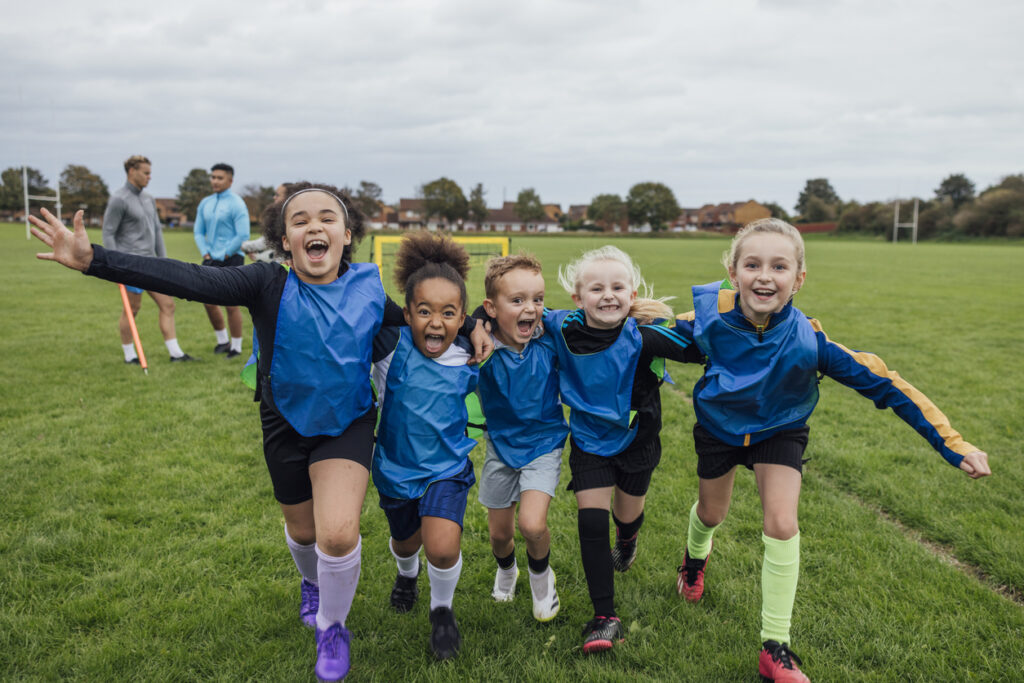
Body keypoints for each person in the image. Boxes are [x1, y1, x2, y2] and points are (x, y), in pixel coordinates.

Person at [28, 186, 491, 682]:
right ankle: (310, 583)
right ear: (284, 242)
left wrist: (478, 324)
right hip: (284, 425)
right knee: (304, 533)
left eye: (327, 218)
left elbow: (426, 320)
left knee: (337, 534)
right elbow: (187, 278)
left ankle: (332, 628)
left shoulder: (368, 288)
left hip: (348, 425)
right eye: (301, 221)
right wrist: (95, 258)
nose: (315, 227)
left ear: (347, 235)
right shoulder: (266, 284)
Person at [671, 218, 991, 683]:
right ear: (733, 271)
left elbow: (887, 385)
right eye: (753, 264)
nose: (765, 276)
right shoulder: (707, 323)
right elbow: (634, 338)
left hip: (780, 429)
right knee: (712, 513)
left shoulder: (810, 343)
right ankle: (694, 561)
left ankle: (774, 647)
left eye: (779, 266)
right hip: (719, 430)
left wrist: (953, 443)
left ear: (798, 279)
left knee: (781, 522)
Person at [549, 245, 692, 653]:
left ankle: (627, 540)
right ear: (578, 298)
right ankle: (605, 617)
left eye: (618, 287)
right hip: (590, 442)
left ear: (631, 295)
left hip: (638, 441)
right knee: (591, 523)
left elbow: (701, 347)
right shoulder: (561, 328)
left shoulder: (646, 335)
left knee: (626, 515)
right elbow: (516, 316)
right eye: (597, 288)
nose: (608, 295)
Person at [371, 231, 478, 661]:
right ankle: (406, 575)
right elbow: (355, 298)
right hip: (395, 469)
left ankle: (442, 613)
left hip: (447, 468)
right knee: (406, 544)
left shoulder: (472, 349)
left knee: (443, 546)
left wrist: (479, 327)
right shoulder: (388, 347)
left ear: (463, 317)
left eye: (449, 313)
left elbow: (519, 321)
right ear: (407, 313)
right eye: (424, 311)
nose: (436, 323)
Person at [474, 253, 565, 622]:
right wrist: (474, 324)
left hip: (544, 444)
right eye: (518, 300)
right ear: (491, 309)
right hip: (500, 448)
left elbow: (591, 317)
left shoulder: (551, 337)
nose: (531, 308)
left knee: (532, 524)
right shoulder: (478, 346)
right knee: (499, 537)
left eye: (538, 299)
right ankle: (507, 570)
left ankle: (542, 580)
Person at [102, 154, 192, 362]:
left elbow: (157, 232)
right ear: (132, 172)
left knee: (168, 305)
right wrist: (113, 265)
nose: (149, 177)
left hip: (152, 263)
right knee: (132, 309)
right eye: (146, 173)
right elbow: (108, 232)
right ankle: (129, 355)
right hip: (130, 264)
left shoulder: (149, 199)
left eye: (150, 173)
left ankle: (175, 353)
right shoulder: (118, 199)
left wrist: (164, 261)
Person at [193, 163, 251, 358]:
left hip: (232, 256)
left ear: (230, 180)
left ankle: (236, 347)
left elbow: (243, 234)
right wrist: (206, 253)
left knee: (231, 304)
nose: (215, 181)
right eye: (213, 177)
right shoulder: (205, 203)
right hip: (210, 257)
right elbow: (198, 232)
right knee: (207, 301)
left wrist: (226, 254)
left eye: (219, 178)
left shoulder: (237, 203)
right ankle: (222, 341)